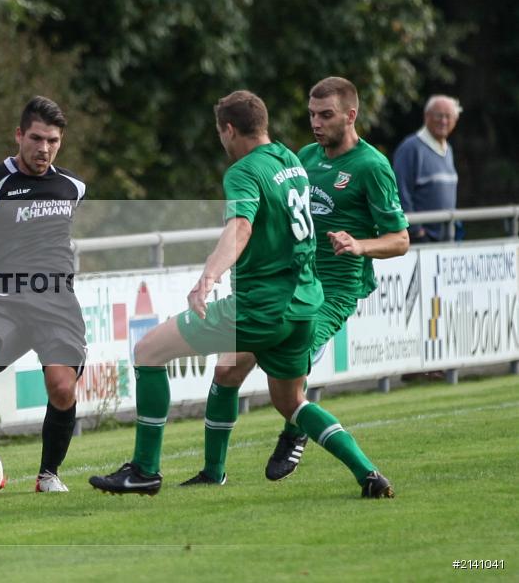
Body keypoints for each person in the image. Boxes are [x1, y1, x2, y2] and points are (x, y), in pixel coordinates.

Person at [89, 90, 394, 499]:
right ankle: (368, 474)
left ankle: (144, 470)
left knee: (147, 352)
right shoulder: (291, 160)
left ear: (229, 130)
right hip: (302, 306)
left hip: (258, 307)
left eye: (221, 134)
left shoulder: (243, 172)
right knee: (292, 403)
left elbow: (241, 228)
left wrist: (208, 278)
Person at [186, 77, 409, 485]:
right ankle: (212, 474)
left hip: (331, 294)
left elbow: (401, 240)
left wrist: (359, 245)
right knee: (226, 373)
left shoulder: (372, 166)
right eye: (312, 115)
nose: (316, 123)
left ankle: (296, 432)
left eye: (326, 115)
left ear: (351, 115)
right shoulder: (302, 156)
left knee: (290, 385)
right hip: (287, 285)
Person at [0, 96, 87, 494]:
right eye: (37, 138)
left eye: (53, 141)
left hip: (55, 303)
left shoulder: (73, 187)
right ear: (19, 135)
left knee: (62, 387)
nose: (45, 148)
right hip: (2, 300)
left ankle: (48, 475)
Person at [393, 95, 462, 242]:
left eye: (448, 116)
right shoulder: (410, 148)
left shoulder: (448, 149)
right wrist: (416, 232)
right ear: (427, 116)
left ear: (455, 121)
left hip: (447, 237)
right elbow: (400, 193)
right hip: (421, 240)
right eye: (439, 115)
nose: (443, 121)